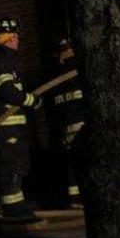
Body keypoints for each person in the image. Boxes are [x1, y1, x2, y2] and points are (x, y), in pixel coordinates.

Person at [0, 16, 41, 222]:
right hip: (3, 126)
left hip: (10, 127)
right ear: (9, 38)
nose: (18, 41)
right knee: (10, 166)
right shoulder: (0, 61)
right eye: (16, 37)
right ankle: (13, 210)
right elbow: (7, 92)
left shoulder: (5, 60)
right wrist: (31, 100)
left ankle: (17, 206)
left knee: (17, 165)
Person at [47, 38, 86, 208]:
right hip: (80, 124)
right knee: (82, 161)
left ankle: (73, 200)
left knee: (69, 163)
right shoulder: (80, 67)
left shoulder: (55, 72)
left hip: (65, 125)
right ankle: (81, 198)